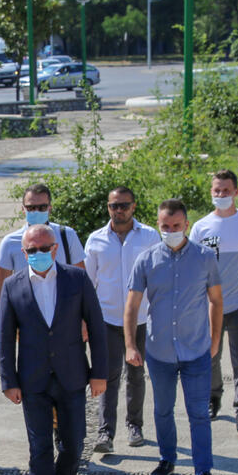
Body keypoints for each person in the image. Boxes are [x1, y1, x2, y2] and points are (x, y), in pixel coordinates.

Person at [0, 224, 107, 475]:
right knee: (40, 448)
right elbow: (5, 337)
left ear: (55, 249)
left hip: (72, 374)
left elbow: (97, 327)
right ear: (24, 252)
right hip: (33, 380)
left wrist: (99, 373)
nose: (38, 254)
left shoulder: (76, 279)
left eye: (44, 248)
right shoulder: (12, 286)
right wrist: (9, 379)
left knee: (74, 443)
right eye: (32, 250)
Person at [124, 199, 223, 475]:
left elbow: (217, 301)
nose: (171, 231)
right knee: (163, 410)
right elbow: (132, 306)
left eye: (177, 226)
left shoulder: (206, 257)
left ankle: (203, 471)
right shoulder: (146, 260)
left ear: (187, 225)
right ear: (158, 225)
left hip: (196, 351)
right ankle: (167, 460)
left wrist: (215, 341)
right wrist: (130, 345)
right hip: (160, 351)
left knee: (198, 413)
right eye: (165, 227)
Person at [189, 169, 238, 439]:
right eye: (216, 190)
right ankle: (214, 398)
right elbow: (193, 268)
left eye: (225, 190)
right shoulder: (201, 227)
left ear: (236, 192)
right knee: (211, 356)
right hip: (210, 306)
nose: (221, 195)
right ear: (211, 192)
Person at [84, 187, 161, 454]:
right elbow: (88, 285)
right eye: (114, 205)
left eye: (124, 205)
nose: (119, 210)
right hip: (107, 320)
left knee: (137, 375)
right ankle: (105, 433)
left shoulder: (150, 237)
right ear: (108, 208)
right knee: (107, 377)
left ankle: (134, 426)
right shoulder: (96, 240)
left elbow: (158, 278)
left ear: (134, 206)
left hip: (141, 320)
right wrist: (85, 321)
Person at [0, 183, 85, 316]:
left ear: (50, 208)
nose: (36, 211)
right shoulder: (10, 243)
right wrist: (3, 328)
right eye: (31, 208)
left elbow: (82, 281)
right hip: (27, 318)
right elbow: (1, 290)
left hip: (65, 316)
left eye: (42, 207)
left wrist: (84, 320)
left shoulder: (67, 236)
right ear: (23, 209)